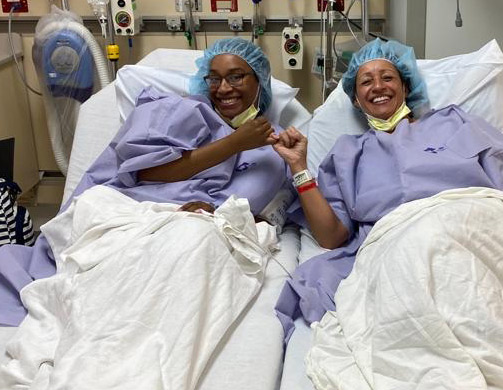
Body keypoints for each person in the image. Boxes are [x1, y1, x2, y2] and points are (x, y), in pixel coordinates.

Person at [272, 38, 503, 339]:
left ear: (405, 87)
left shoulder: (455, 122)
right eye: (366, 81)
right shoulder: (348, 153)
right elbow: (331, 237)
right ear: (354, 100)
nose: (377, 86)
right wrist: (299, 167)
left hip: (474, 229)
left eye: (387, 77)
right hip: (401, 247)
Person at [0, 37, 293, 327]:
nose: (223, 88)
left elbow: (271, 208)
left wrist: (241, 218)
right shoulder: (184, 109)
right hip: (132, 210)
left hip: (193, 232)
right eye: (214, 78)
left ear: (260, 81)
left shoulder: (277, 144)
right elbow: (144, 171)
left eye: (236, 76)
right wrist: (233, 143)